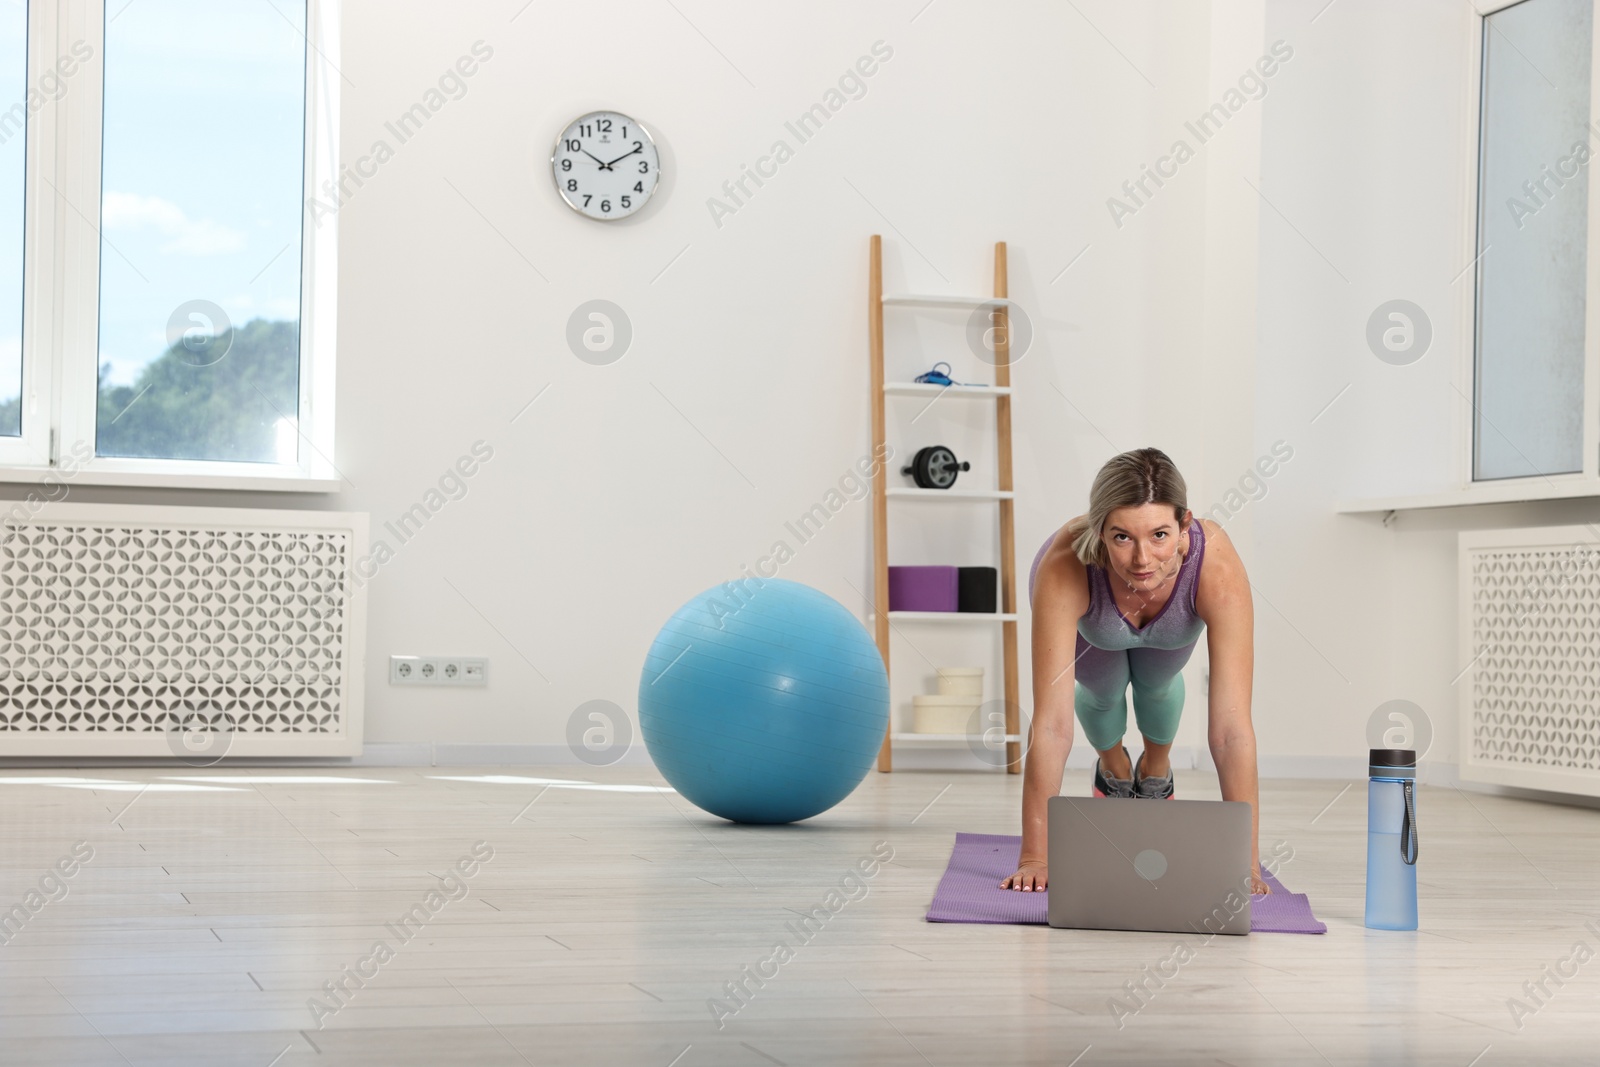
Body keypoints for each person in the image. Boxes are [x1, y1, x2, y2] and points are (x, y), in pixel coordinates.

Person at [1000, 447, 1270, 895]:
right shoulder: (1066, 564)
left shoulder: (1216, 568)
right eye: (1122, 537)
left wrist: (1247, 862)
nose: (1143, 559)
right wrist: (1035, 857)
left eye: (1160, 535)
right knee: (1103, 694)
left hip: (1171, 627)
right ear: (1099, 529)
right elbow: (1051, 726)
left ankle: (1156, 770)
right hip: (1095, 627)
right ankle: (1114, 769)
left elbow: (1231, 730)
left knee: (1156, 686)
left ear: (1185, 526)